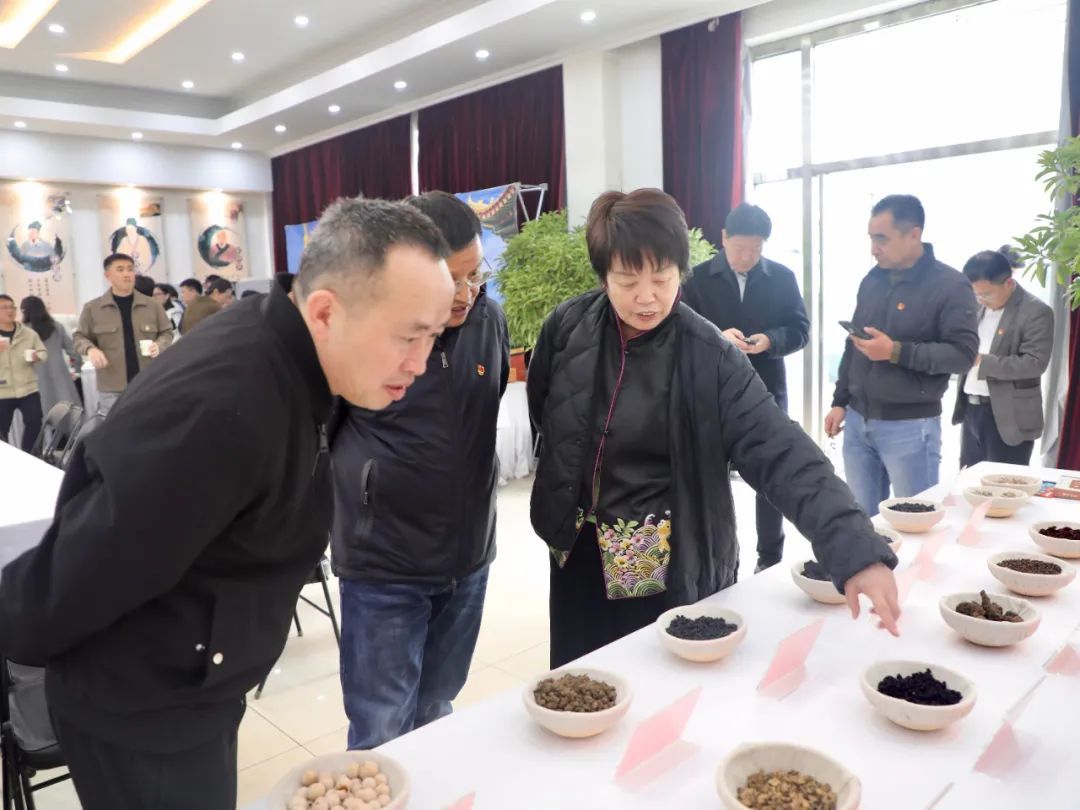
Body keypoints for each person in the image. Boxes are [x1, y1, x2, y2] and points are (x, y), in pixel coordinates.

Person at [0, 197, 455, 810]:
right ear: (325, 310)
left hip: (197, 677)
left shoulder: (291, 354)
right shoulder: (227, 404)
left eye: (433, 337)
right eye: (410, 336)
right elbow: (88, 562)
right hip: (141, 705)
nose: (420, 364)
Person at [528, 189, 899, 669]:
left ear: (681, 270)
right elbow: (549, 414)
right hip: (573, 539)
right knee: (575, 676)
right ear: (603, 275)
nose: (646, 297)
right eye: (627, 280)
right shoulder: (567, 326)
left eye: (661, 278)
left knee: (637, 677)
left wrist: (856, 551)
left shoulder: (709, 355)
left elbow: (780, 450)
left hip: (646, 544)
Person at [331, 191, 509, 750]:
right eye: (450, 280)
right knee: (382, 729)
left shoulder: (487, 319)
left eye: (474, 274)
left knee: (437, 710)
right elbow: (320, 432)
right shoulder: (362, 331)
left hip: (468, 558)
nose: (465, 293)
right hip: (386, 565)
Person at [825, 195, 978, 516]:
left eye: (882, 239)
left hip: (910, 427)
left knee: (914, 522)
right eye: (871, 238)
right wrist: (840, 401)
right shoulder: (872, 280)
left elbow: (962, 355)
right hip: (857, 422)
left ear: (914, 234)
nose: (873, 249)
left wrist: (896, 351)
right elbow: (854, 344)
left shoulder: (950, 285)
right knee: (864, 525)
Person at [682, 202, 809, 573]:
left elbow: (800, 329)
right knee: (708, 474)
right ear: (723, 238)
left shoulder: (782, 278)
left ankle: (770, 557)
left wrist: (770, 340)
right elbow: (681, 333)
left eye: (756, 249)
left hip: (766, 391)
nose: (747, 257)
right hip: (712, 392)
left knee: (770, 474)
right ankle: (715, 556)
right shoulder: (697, 278)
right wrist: (718, 338)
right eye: (740, 249)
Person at [952, 248, 1054, 466]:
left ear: (1008, 283)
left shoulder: (1036, 311)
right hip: (971, 409)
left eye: (986, 294)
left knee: (1002, 488)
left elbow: (1034, 363)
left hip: (1008, 417)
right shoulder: (976, 307)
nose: (980, 299)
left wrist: (981, 361)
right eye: (975, 294)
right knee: (969, 486)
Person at [73, 253, 174, 416]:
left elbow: (166, 332)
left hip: (149, 382)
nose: (127, 274)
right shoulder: (93, 308)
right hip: (112, 386)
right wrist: (91, 349)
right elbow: (79, 337)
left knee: (152, 429)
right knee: (117, 433)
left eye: (130, 269)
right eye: (120, 270)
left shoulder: (152, 305)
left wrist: (160, 345)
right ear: (108, 275)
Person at [19, 295, 81, 415]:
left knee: (43, 416)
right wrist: (77, 370)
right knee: (68, 414)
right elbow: (74, 352)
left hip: (35, 381)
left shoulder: (22, 332)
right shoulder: (56, 327)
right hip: (61, 378)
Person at [0, 294, 47, 451]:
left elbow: (43, 353)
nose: (10, 311)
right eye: (4, 307)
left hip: (28, 389)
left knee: (35, 422)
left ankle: (30, 456)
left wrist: (36, 356)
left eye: (12, 307)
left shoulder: (28, 333)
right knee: (1, 431)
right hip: (2, 392)